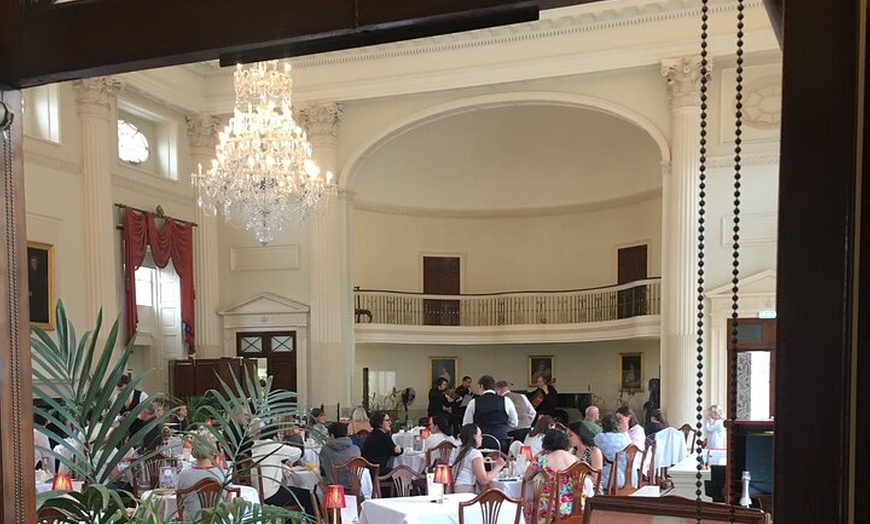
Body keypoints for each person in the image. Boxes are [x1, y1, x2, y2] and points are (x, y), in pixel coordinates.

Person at [522, 430, 580, 524]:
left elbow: (526, 477)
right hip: (574, 503)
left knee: (528, 507)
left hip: (551, 505)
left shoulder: (543, 457)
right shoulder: (574, 458)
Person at [462, 375, 518, 453]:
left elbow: (466, 424)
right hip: (500, 443)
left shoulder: (473, 402)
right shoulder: (506, 400)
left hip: (480, 443)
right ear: (494, 387)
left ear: (481, 386)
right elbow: (514, 423)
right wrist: (502, 426)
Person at [175, 444, 227, 520]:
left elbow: (179, 503)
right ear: (213, 452)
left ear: (193, 452)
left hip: (192, 520)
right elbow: (227, 509)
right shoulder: (224, 474)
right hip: (217, 520)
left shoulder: (183, 475)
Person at [451, 423, 506, 493]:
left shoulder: (456, 450)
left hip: (452, 488)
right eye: (480, 435)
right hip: (465, 489)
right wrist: (499, 466)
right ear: (474, 436)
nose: (482, 438)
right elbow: (484, 480)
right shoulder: (474, 453)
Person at [593, 414, 633, 492]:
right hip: (631, 477)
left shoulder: (600, 437)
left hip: (614, 479)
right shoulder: (623, 437)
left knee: (590, 476)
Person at [566, 421, 603, 495]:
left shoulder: (594, 452)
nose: (568, 438)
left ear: (579, 435)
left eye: (570, 435)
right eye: (567, 435)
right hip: (576, 486)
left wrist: (577, 475)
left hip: (592, 489)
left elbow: (596, 479)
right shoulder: (572, 451)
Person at [361, 411, 403, 475]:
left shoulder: (372, 434)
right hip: (377, 470)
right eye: (387, 420)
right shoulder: (383, 436)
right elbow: (395, 452)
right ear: (380, 423)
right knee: (403, 472)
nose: (390, 422)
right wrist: (400, 449)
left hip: (367, 469)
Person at [320, 422, 361, 486]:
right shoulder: (356, 449)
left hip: (333, 487)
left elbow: (323, 469)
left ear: (332, 435)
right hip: (353, 486)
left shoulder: (325, 449)